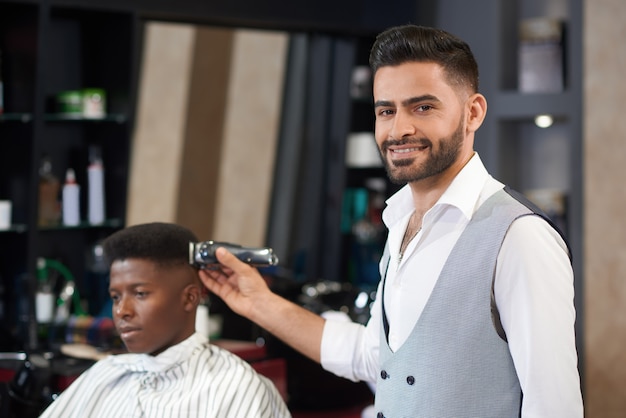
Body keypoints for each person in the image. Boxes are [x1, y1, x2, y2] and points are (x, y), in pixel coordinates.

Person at [199, 24, 584, 417]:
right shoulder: (400, 223)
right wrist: (259, 303)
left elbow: (554, 405)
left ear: (473, 112)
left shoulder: (520, 236)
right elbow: (375, 359)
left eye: (423, 107)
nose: (399, 129)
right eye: (387, 110)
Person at [39, 222, 291, 418]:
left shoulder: (236, 387)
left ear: (190, 298)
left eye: (140, 294)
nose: (122, 311)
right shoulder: (104, 375)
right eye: (116, 296)